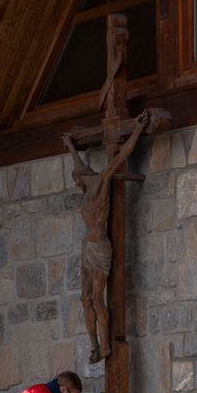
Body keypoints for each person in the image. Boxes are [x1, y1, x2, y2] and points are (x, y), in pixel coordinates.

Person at [62, 110, 150, 365]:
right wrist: (70, 145)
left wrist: (136, 129)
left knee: (98, 298)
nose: (77, 183)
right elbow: (76, 162)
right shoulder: (85, 181)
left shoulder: (100, 183)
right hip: (86, 247)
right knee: (84, 298)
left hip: (100, 246)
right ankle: (93, 345)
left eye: (77, 181)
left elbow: (122, 155)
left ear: (82, 179)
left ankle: (106, 345)